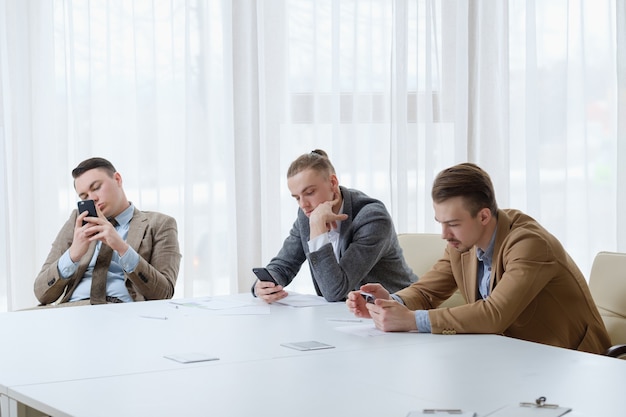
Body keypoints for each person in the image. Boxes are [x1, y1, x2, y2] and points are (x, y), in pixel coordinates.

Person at [346, 162, 611, 354]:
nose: (444, 234)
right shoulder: (463, 243)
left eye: (452, 223)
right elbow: (427, 292)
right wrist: (389, 303)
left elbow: (495, 313)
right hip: (514, 356)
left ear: (484, 216)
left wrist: (412, 320)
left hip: (573, 360)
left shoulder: (530, 244)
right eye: (440, 222)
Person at [253, 149, 417, 303]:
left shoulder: (373, 218)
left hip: (399, 312)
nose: (303, 204)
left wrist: (318, 231)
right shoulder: (307, 215)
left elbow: (335, 291)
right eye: (297, 197)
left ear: (333, 183)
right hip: (349, 315)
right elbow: (284, 265)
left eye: (309, 192)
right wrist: (263, 285)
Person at [34, 157, 181, 306]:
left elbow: (164, 293)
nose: (93, 199)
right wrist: (73, 255)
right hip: (72, 309)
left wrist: (121, 248)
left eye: (96, 187)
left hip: (123, 309)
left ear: (117, 179)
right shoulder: (77, 221)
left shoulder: (160, 224)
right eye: (84, 196)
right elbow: (41, 293)